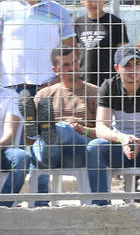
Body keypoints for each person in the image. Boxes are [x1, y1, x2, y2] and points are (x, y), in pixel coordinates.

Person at [86, 44, 140, 205]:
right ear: (116, 68)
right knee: (95, 146)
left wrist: (139, 142)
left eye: (137, 64)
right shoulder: (109, 86)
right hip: (120, 148)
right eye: (127, 65)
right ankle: (100, 205)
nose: (133, 70)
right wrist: (123, 139)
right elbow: (101, 127)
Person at [24, 46, 101, 200]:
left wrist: (80, 128)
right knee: (41, 144)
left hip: (80, 150)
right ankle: (40, 203)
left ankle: (39, 201)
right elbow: (29, 138)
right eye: (66, 65)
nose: (72, 67)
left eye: (74, 62)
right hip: (50, 153)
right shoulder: (44, 94)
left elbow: (104, 131)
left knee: (56, 131)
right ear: (55, 69)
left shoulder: (95, 92)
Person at [1, 0, 75, 95]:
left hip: (48, 86)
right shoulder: (4, 9)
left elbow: (71, 50)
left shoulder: (59, 11)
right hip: (9, 86)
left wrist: (58, 80)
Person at [73, 0, 128, 90]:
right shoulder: (77, 23)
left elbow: (123, 54)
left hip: (109, 83)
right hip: (84, 82)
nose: (94, 3)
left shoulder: (116, 23)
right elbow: (73, 52)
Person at [0, 86, 29, 206]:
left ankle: (3, 206)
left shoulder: (10, 96)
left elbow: (10, 134)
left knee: (22, 157)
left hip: (3, 149)